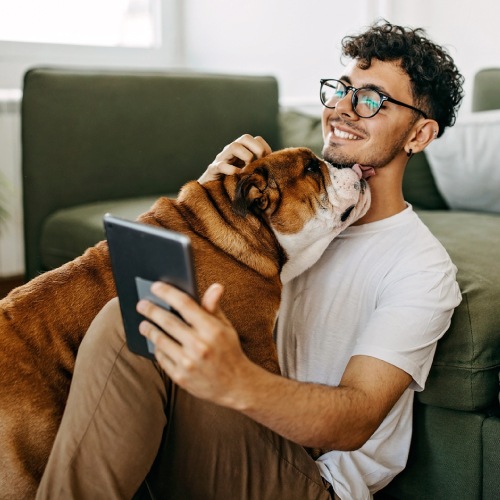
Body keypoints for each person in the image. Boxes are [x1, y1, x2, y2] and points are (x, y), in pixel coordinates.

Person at [37, 20, 464, 499]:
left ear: (420, 134)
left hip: (313, 482)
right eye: (340, 91)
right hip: (235, 430)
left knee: (130, 323)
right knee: (139, 320)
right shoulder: (290, 220)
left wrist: (235, 381)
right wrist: (209, 206)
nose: (342, 110)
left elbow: (355, 420)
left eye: (370, 100)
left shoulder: (420, 267)